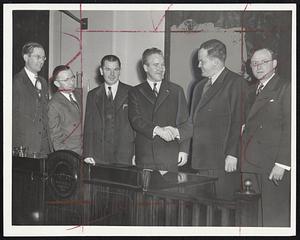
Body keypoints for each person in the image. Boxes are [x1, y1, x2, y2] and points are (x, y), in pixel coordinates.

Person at [189, 39, 245, 197]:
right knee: (204, 209)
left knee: (223, 208)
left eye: (202, 61)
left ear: (215, 61)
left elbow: (238, 120)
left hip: (223, 160)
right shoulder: (199, 87)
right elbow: (192, 122)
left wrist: (232, 154)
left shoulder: (236, 82)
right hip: (201, 160)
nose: (198, 65)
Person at [241, 47, 291, 227]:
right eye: (254, 63)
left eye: (264, 62)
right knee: (253, 218)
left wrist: (282, 164)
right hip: (251, 163)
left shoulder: (286, 87)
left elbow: (290, 128)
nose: (258, 67)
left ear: (274, 64)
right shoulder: (250, 90)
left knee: (272, 217)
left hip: (272, 165)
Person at [128, 47, 192, 172]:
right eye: (156, 65)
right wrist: (157, 130)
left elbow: (185, 123)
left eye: (163, 65)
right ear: (145, 68)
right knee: (146, 190)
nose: (161, 68)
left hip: (169, 155)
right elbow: (135, 120)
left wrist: (184, 150)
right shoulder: (135, 92)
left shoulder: (176, 90)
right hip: (146, 156)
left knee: (169, 190)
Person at [83, 55, 134, 165]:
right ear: (101, 71)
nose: (112, 74)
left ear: (120, 71)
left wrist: (137, 153)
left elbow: (137, 127)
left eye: (115, 69)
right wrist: (88, 154)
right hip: (99, 155)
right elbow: (89, 126)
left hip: (126, 155)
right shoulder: (92, 95)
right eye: (107, 69)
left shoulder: (132, 92)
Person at [12, 42, 51, 155]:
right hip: (25, 147)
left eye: (43, 58)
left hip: (44, 147)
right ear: (26, 57)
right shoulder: (16, 82)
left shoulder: (43, 82)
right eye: (38, 57)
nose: (42, 61)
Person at [48, 65, 82, 155]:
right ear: (57, 84)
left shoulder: (80, 95)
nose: (72, 82)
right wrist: (70, 158)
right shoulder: (53, 105)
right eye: (66, 80)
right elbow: (56, 139)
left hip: (86, 152)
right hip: (71, 154)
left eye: (72, 77)